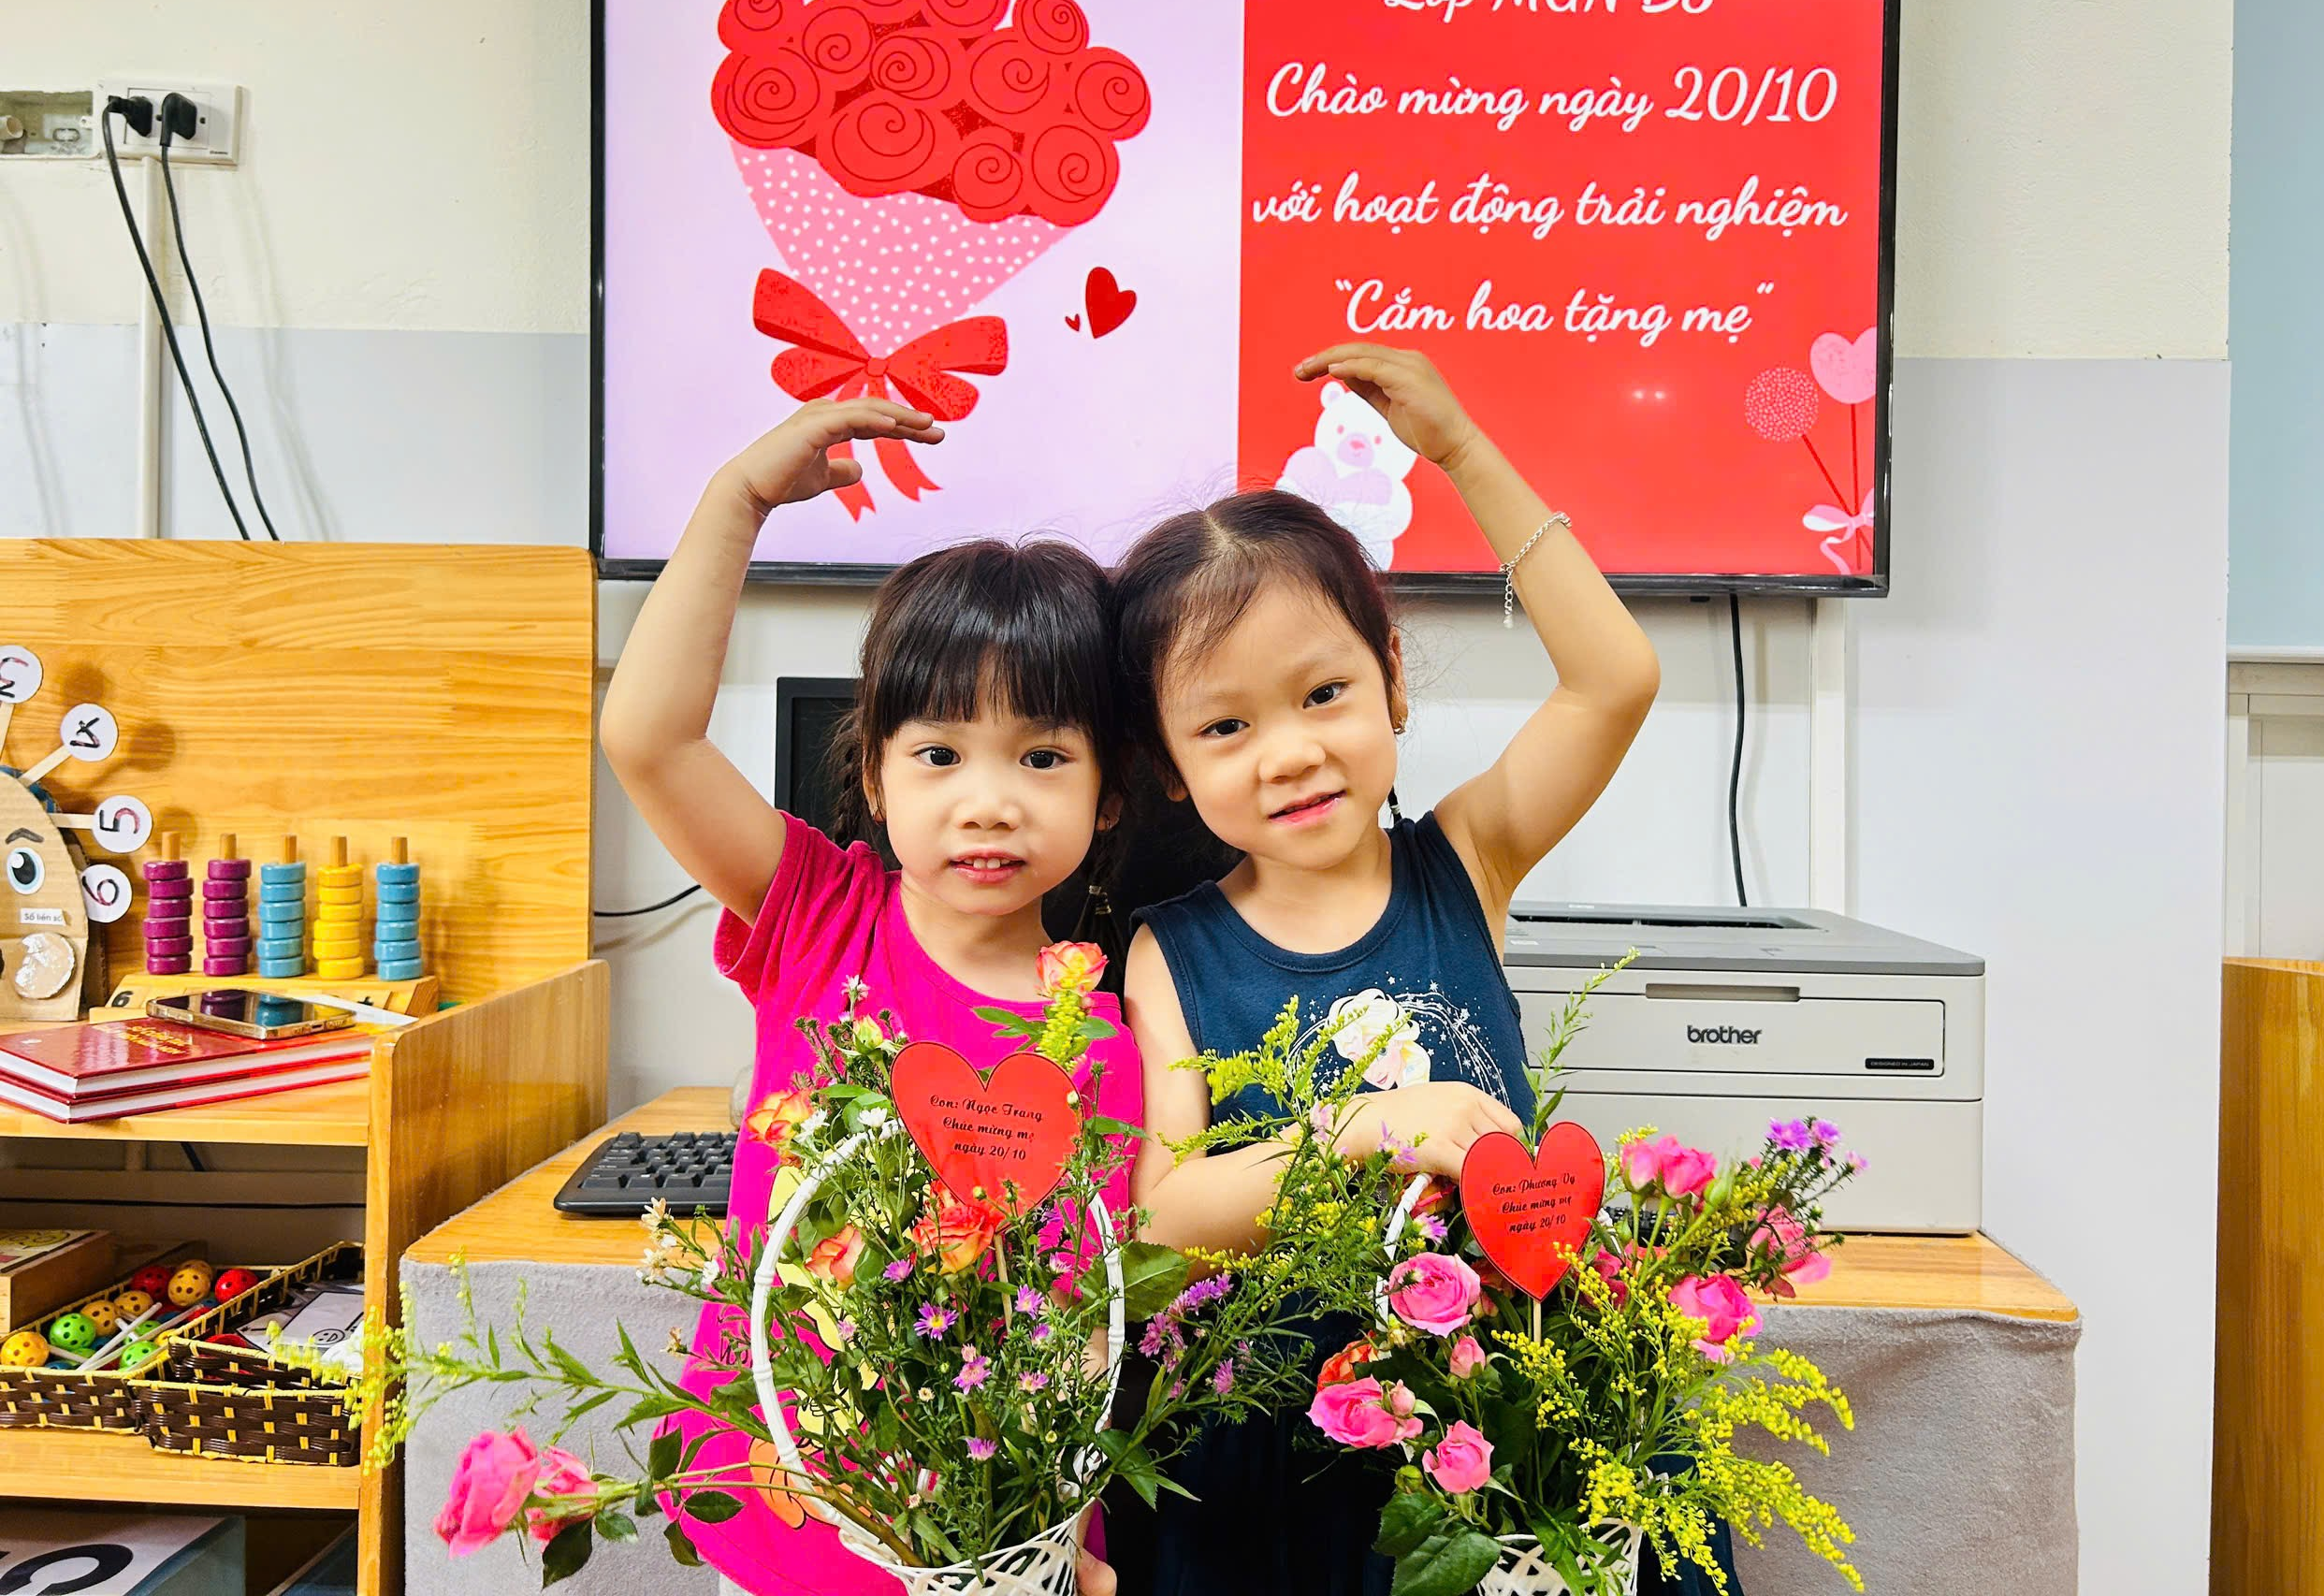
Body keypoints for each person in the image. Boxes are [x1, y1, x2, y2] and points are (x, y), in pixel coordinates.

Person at [1111, 343, 1674, 1596]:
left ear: (1393, 683)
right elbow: (1159, 1221)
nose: (1288, 753)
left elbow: (1615, 678)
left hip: (1504, 1433)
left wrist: (1461, 450)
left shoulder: (1466, 859)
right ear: (1167, 767)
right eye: (1225, 726)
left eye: (1324, 693)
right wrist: (1363, 1127)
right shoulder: (1172, 950)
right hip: (1281, 1470)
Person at [602, 396, 1136, 1596]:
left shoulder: (1110, 1039)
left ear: (1108, 796)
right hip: (778, 1512)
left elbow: (1080, 1331)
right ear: (878, 779)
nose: (988, 801)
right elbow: (647, 737)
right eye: (939, 754)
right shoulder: (820, 915)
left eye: (1043, 757)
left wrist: (1069, 1539)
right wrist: (737, 500)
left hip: (988, 1540)